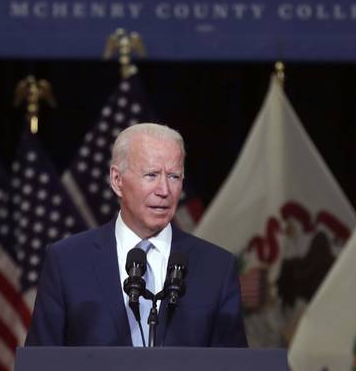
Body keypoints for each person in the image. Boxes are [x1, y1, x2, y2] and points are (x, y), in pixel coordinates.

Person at [25, 123, 247, 347]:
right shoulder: (67, 262)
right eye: (151, 175)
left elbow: (234, 365)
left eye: (173, 177)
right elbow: (41, 360)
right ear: (117, 180)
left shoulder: (217, 267)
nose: (164, 191)